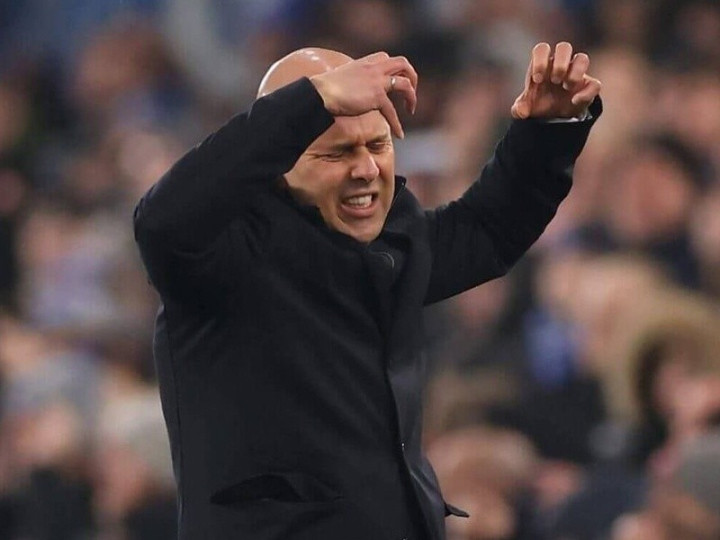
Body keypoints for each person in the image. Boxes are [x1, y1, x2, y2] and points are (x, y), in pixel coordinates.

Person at [133, 43, 602, 539]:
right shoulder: (221, 258)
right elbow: (162, 224)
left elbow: (486, 232)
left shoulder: (390, 246)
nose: (365, 170)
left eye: (377, 146)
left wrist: (547, 131)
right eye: (336, 153)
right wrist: (312, 100)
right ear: (278, 163)